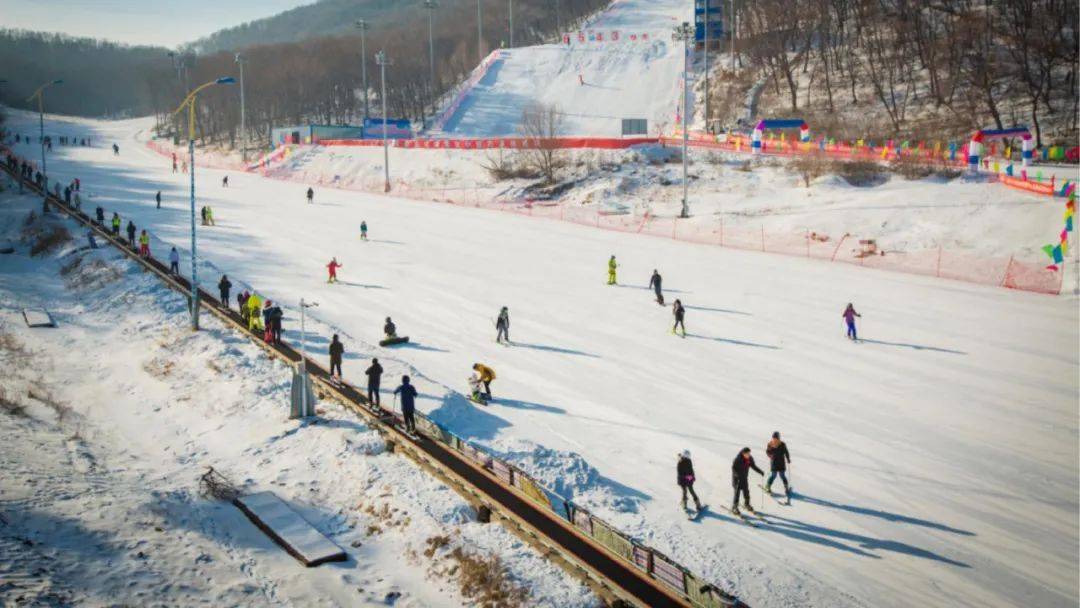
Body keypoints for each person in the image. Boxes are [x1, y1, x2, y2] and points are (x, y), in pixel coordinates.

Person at [731, 447, 764, 515]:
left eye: (749, 453)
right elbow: (734, 469)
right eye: (747, 454)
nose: (749, 455)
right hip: (737, 479)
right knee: (737, 493)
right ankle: (734, 507)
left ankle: (747, 504)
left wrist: (760, 471)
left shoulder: (749, 458)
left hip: (744, 478)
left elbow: (753, 466)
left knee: (746, 492)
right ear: (743, 453)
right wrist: (737, 475)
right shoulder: (737, 459)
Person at [765, 432, 792, 497]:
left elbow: (786, 452)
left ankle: (786, 488)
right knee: (774, 475)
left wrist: (788, 458)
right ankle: (768, 486)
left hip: (781, 462)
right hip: (774, 462)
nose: (775, 440)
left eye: (776, 438)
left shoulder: (782, 444)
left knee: (782, 475)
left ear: (779, 438)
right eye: (774, 438)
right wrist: (770, 455)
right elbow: (767, 452)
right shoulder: (770, 444)